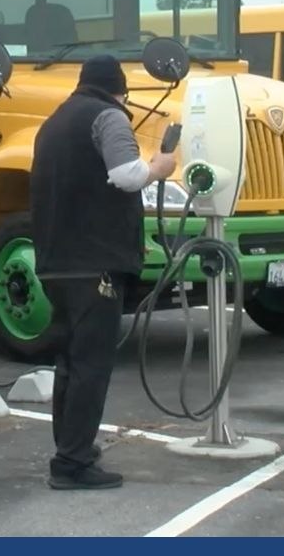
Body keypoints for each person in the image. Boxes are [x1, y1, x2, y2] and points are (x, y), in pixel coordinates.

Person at [30, 53, 178, 490]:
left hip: (55, 263)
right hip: (94, 265)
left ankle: (71, 448)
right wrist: (158, 167)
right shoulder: (108, 117)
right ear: (120, 90)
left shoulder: (54, 121)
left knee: (70, 363)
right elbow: (126, 175)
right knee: (91, 366)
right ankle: (73, 464)